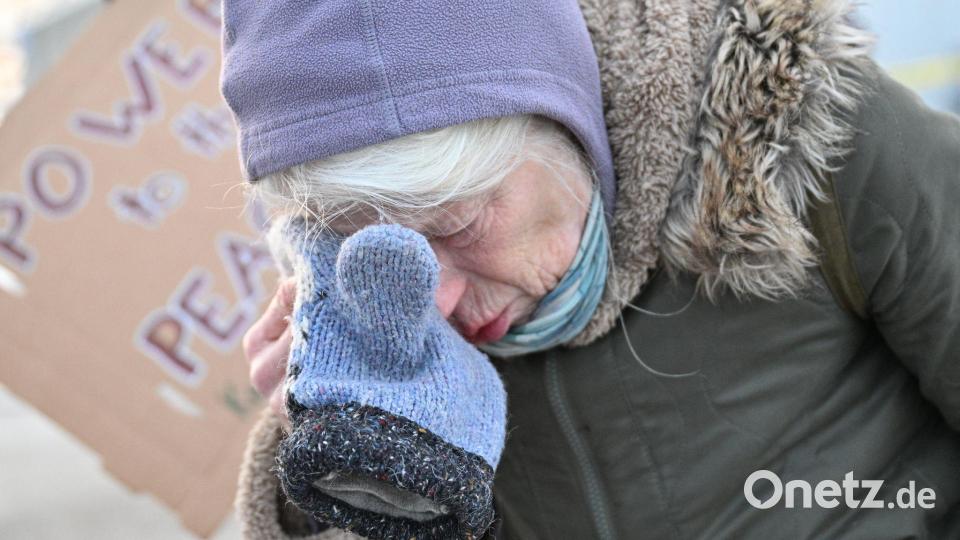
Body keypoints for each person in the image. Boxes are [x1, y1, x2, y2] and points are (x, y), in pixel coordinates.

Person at [222, 0, 960, 538]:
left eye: (460, 226)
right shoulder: (373, 318)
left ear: (565, 124)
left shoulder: (815, 143)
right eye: (364, 248)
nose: (437, 299)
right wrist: (334, 457)